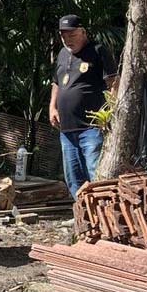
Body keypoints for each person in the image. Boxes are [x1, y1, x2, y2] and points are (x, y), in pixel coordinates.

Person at [48, 14, 118, 196]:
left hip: (91, 127)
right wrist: (52, 107)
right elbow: (56, 83)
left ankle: (102, 214)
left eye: (72, 35)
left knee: (95, 173)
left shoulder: (98, 50)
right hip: (67, 128)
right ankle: (82, 214)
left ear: (83, 32)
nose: (67, 40)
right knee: (73, 176)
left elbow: (113, 83)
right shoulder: (62, 54)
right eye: (64, 36)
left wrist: (110, 114)